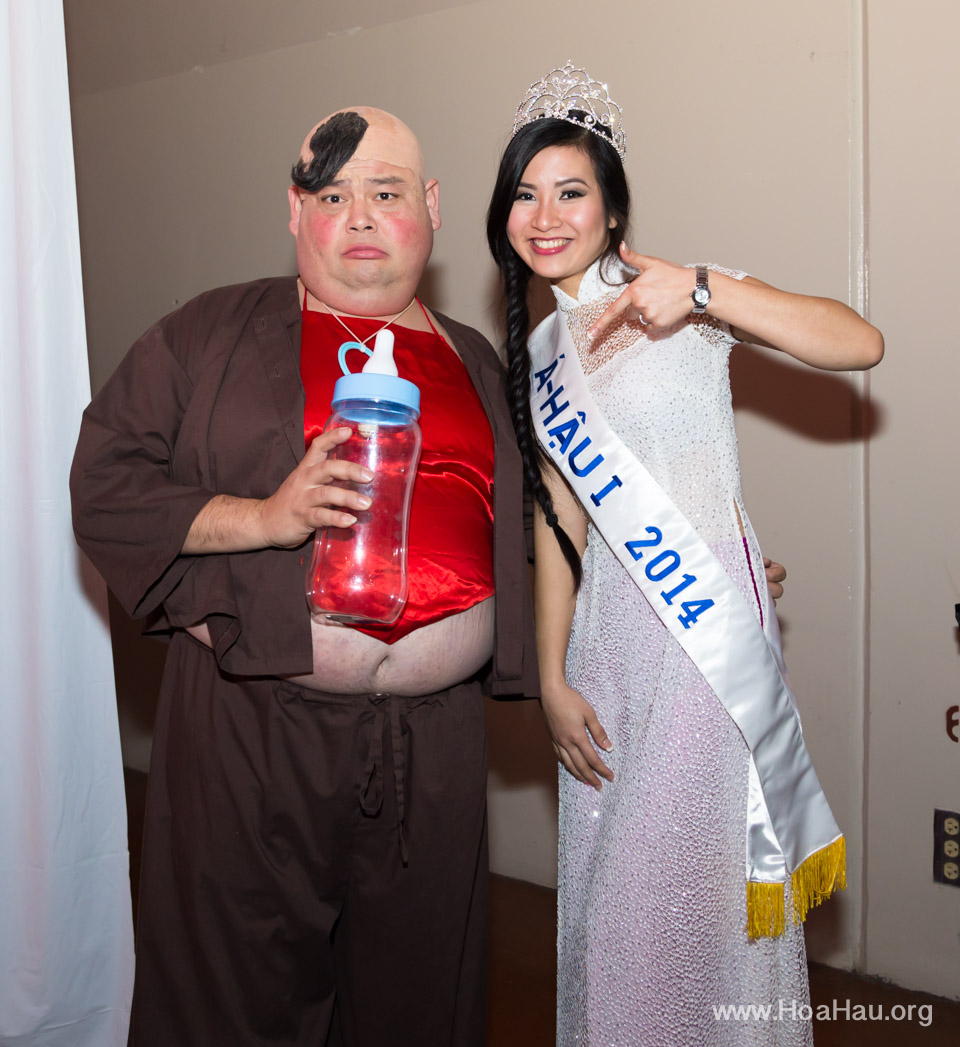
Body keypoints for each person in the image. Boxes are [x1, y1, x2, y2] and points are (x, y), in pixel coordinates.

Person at [70, 107, 539, 1047]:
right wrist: (264, 520)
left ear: (432, 208)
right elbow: (106, 482)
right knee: (231, 1004)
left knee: (420, 1007)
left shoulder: (479, 360)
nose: (360, 215)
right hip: (252, 740)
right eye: (333, 194)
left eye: (386, 191)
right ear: (296, 213)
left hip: (436, 758)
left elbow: (544, 533)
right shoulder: (207, 334)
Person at [486, 63, 883, 1046]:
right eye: (525, 195)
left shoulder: (681, 296)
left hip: (701, 656)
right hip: (609, 656)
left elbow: (859, 343)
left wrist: (707, 290)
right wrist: (549, 676)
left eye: (570, 191)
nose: (545, 214)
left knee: (669, 906)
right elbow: (559, 523)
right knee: (609, 905)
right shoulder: (541, 358)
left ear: (613, 209)